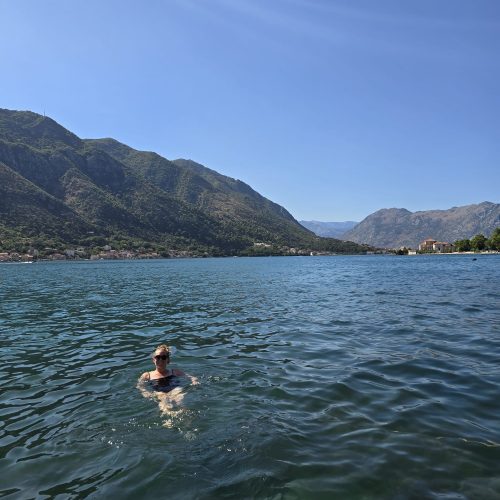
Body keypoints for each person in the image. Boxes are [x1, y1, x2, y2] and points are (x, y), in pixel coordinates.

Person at [137, 344, 198, 419]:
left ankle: (185, 415)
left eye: (163, 357)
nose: (160, 360)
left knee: (179, 398)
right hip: (160, 392)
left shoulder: (174, 372)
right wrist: (146, 393)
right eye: (158, 357)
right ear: (153, 360)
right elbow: (140, 386)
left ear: (168, 360)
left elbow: (190, 377)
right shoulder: (147, 375)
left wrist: (194, 381)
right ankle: (168, 419)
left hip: (174, 389)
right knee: (163, 401)